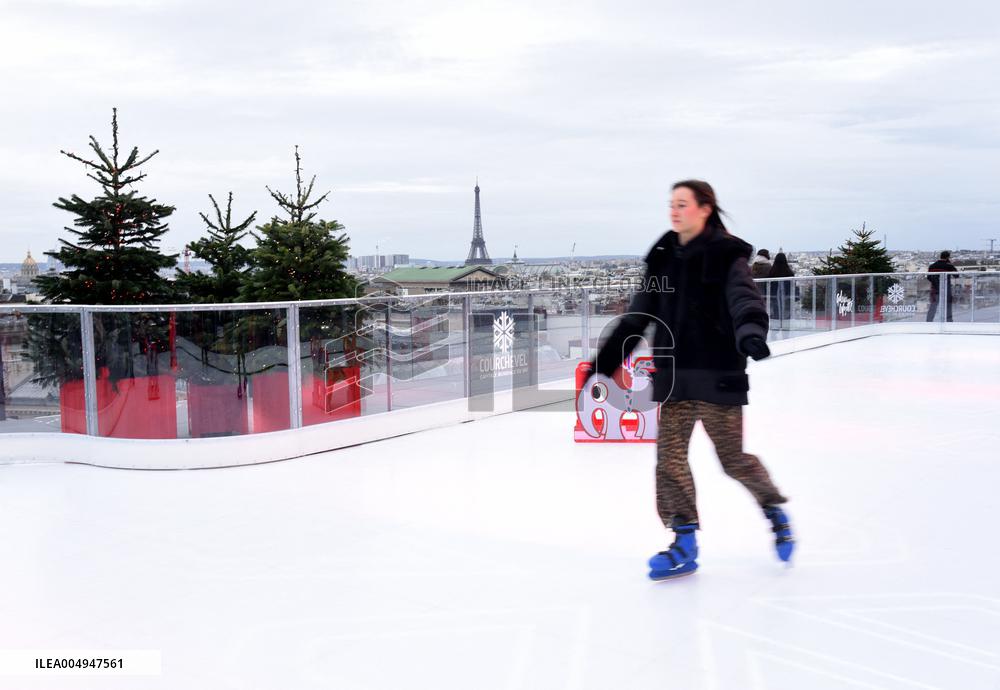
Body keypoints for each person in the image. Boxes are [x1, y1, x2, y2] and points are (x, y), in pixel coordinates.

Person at [584, 180, 793, 581]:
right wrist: (605, 363)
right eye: (672, 204)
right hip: (675, 378)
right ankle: (684, 541)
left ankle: (774, 510)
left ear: (704, 208)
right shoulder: (663, 256)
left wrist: (751, 332)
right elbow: (638, 316)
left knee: (733, 460)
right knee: (669, 462)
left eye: (682, 204)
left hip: (717, 375)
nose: (674, 211)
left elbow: (744, 298)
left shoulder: (726, 255)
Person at [926, 250, 958, 322]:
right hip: (946, 290)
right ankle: (949, 322)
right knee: (948, 307)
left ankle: (928, 322)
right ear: (947, 257)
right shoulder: (949, 266)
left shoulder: (932, 266)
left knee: (933, 306)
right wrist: (950, 264)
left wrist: (935, 283)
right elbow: (956, 275)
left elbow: (928, 277)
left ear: (940, 256)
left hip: (935, 290)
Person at [767, 252, 795, 324]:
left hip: (774, 296)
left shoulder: (772, 272)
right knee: (787, 316)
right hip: (787, 297)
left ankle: (775, 328)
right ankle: (787, 329)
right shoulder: (789, 272)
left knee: (775, 315)